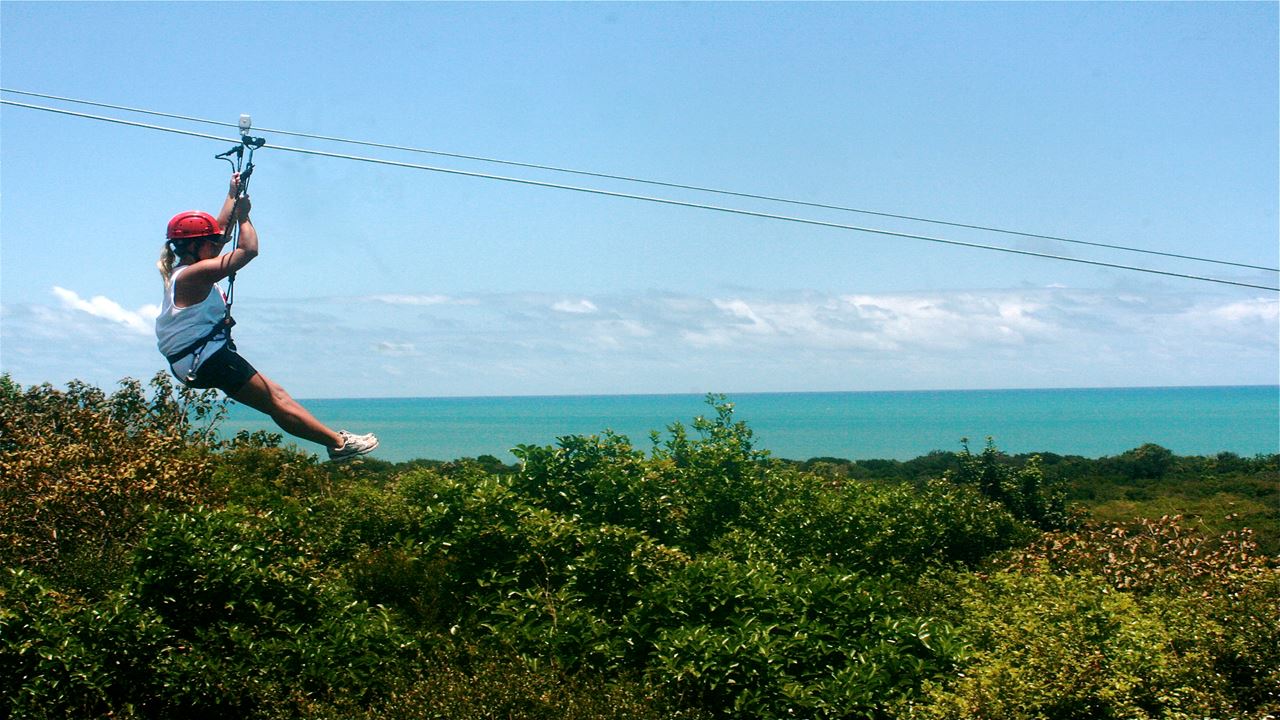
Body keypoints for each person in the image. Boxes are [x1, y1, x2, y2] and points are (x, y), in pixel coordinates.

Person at [156, 173, 378, 462]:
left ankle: (337, 440)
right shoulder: (194, 275)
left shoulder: (186, 269)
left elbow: (220, 230)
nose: (217, 243)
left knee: (277, 393)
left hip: (197, 358)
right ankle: (337, 444)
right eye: (210, 242)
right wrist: (246, 218)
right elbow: (247, 251)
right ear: (196, 246)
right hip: (205, 359)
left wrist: (232, 195)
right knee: (275, 402)